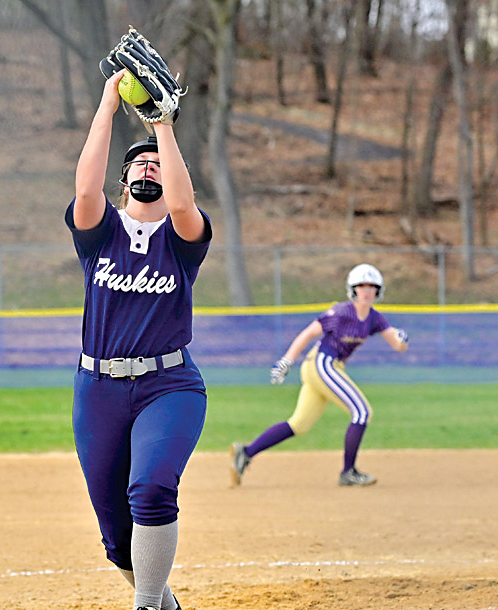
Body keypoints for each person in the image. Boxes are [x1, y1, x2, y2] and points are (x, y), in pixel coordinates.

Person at [65, 70, 212, 610]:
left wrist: (163, 126)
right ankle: (162, 603)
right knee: (116, 539)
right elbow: (86, 189)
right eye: (138, 164)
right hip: (97, 390)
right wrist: (107, 105)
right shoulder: (100, 232)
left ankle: (146, 604)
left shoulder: (182, 238)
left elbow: (183, 206)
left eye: (157, 164)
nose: (148, 167)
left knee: (151, 488)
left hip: (168, 385)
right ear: (123, 182)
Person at [230, 263, 408, 488]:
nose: (366, 291)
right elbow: (309, 333)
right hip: (322, 363)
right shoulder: (342, 312)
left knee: (299, 424)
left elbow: (396, 343)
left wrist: (402, 339)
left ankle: (246, 452)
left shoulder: (374, 318)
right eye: (361, 286)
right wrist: (287, 360)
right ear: (353, 289)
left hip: (329, 367)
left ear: (378, 291)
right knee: (362, 412)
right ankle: (348, 472)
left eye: (371, 287)